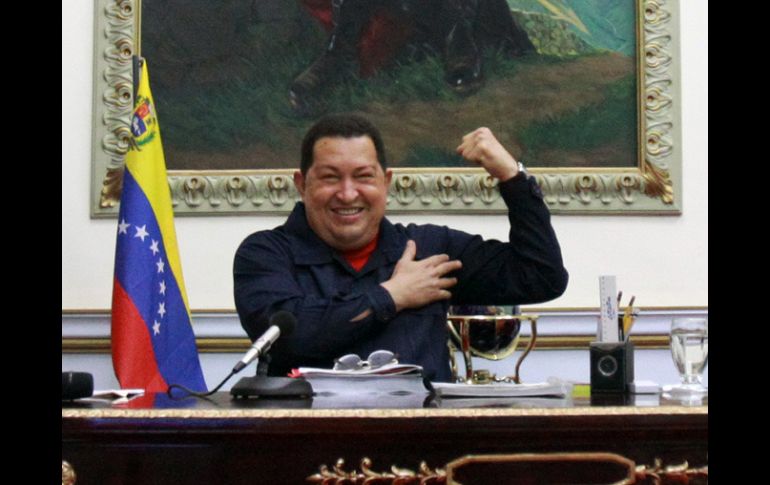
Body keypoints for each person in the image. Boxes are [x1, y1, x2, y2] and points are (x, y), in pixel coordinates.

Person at [233, 113, 567, 381]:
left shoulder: (429, 248)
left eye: (364, 176)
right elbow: (291, 337)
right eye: (330, 178)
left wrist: (512, 178)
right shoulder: (264, 253)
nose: (347, 194)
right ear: (301, 184)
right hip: (307, 438)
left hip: (420, 439)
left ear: (386, 182)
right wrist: (392, 296)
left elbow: (541, 276)